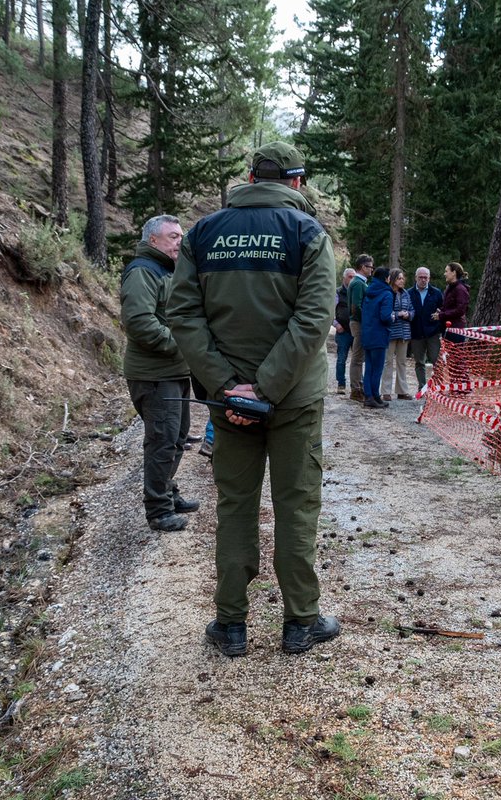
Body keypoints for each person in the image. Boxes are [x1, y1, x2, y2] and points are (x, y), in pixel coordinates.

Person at [167, 141, 340, 657]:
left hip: (229, 403)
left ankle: (231, 625)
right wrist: (266, 387)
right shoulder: (308, 233)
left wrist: (226, 385)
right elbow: (312, 321)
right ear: (296, 182)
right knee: (295, 507)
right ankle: (300, 624)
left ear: (249, 177)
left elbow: (183, 316)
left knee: (236, 506)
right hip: (293, 400)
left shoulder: (202, 234)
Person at [120, 214, 199, 533]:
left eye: (181, 235)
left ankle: (167, 490)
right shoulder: (143, 272)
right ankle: (158, 509)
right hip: (154, 374)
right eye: (173, 236)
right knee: (162, 441)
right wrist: (181, 346)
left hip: (174, 372)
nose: (180, 240)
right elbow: (138, 321)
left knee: (177, 437)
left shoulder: (167, 270)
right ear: (152, 240)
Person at [359, 266, 394, 409]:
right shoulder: (387, 293)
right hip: (379, 334)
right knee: (377, 368)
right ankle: (374, 396)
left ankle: (369, 396)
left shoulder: (369, 291)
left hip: (367, 333)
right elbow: (385, 316)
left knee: (369, 367)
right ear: (386, 278)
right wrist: (392, 318)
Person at [434, 261, 472, 390]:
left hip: (456, 329)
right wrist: (441, 312)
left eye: (446, 271)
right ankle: (456, 386)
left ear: (453, 273)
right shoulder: (450, 288)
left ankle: (463, 387)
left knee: (458, 358)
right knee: (451, 359)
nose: (444, 274)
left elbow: (460, 310)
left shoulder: (460, 289)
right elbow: (450, 307)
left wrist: (442, 315)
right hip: (448, 328)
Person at [407, 267, 444, 392]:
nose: (423, 280)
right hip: (416, 333)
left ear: (429, 278)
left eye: (426, 277)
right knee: (419, 362)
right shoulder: (409, 293)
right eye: (421, 277)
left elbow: (443, 310)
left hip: (433, 332)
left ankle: (438, 387)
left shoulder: (437, 293)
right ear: (416, 277)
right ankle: (421, 387)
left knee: (436, 361)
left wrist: (440, 315)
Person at [382, 268, 414, 400]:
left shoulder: (406, 294)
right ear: (393, 280)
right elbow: (385, 312)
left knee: (402, 362)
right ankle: (386, 391)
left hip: (404, 332)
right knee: (388, 362)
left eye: (403, 278)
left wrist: (409, 315)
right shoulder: (388, 293)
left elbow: (412, 310)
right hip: (390, 332)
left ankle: (402, 390)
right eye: (399, 278)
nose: (402, 281)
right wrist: (398, 314)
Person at [346, 254, 374, 402]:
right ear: (363, 267)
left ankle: (358, 386)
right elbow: (355, 306)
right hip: (359, 323)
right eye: (370, 267)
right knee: (357, 358)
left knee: (359, 357)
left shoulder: (359, 282)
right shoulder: (358, 283)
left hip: (359, 322)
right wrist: (367, 320)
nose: (371, 270)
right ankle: (356, 389)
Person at [333, 268, 356, 394]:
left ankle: (356, 385)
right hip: (343, 331)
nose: (352, 279)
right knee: (342, 358)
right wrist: (336, 325)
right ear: (344, 278)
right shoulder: (337, 292)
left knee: (357, 360)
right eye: (350, 277)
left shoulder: (357, 290)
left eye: (354, 277)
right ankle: (341, 384)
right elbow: (330, 311)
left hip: (356, 331)